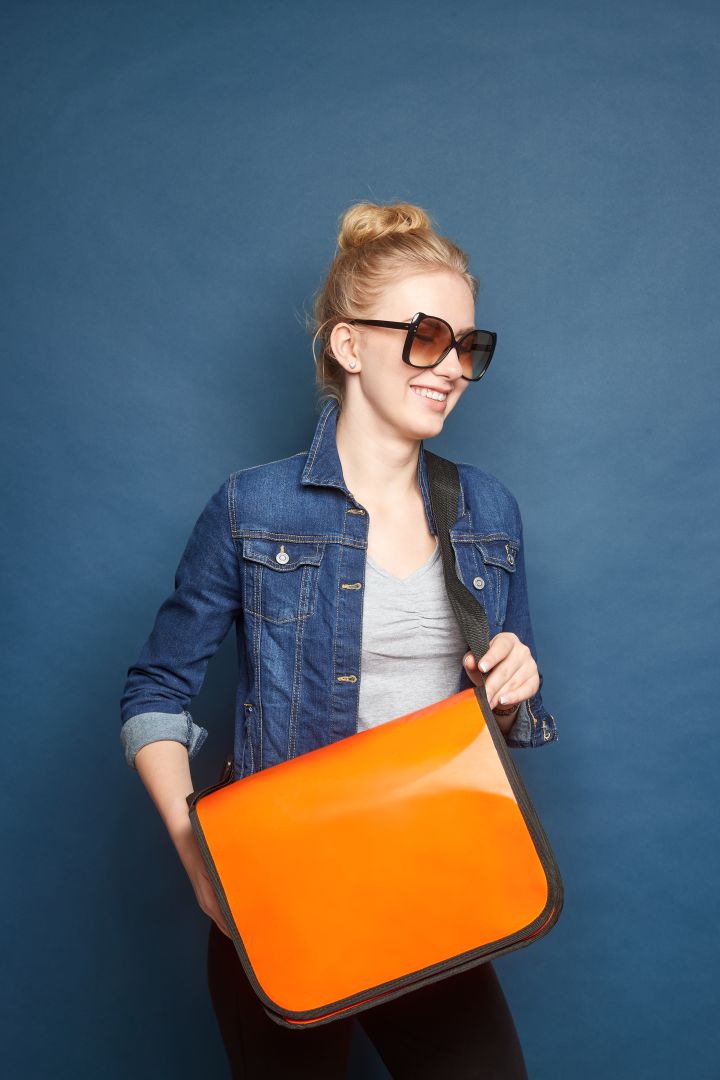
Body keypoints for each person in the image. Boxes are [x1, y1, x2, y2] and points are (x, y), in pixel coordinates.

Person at [119, 200, 558, 1078]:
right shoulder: (251, 507)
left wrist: (515, 690)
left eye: (468, 346)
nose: (453, 368)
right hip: (283, 898)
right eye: (426, 337)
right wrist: (201, 860)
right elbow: (154, 696)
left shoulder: (488, 511)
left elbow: (504, 720)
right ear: (348, 344)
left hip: (433, 891)